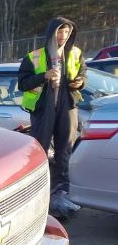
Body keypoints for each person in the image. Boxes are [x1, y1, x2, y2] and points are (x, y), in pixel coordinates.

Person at [18, 16, 86, 219]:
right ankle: (36, 189)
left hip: (67, 107)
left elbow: (83, 75)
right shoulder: (35, 56)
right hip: (43, 108)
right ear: (51, 32)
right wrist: (43, 76)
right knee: (40, 149)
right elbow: (22, 83)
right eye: (59, 31)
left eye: (66, 32)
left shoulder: (75, 53)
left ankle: (60, 192)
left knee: (65, 149)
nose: (63, 36)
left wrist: (79, 83)